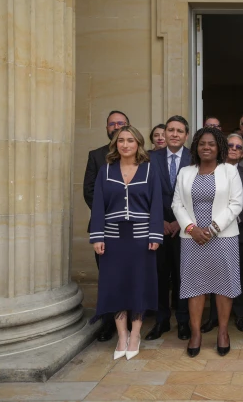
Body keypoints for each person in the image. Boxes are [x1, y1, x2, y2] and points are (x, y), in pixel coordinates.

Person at [89, 125, 163, 361]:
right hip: (112, 238)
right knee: (116, 285)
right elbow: (98, 205)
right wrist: (97, 236)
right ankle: (122, 335)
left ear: (138, 144)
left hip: (141, 238)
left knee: (138, 284)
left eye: (130, 140)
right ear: (115, 144)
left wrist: (155, 235)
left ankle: (135, 335)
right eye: (121, 140)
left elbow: (157, 205)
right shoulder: (105, 170)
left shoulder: (150, 169)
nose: (125, 144)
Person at [171, 127, 243, 357]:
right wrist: (192, 229)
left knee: (224, 286)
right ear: (196, 147)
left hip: (223, 238)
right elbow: (177, 204)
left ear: (219, 146)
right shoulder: (185, 172)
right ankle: (196, 333)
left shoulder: (229, 171)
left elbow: (236, 204)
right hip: (192, 239)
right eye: (202, 143)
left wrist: (211, 229)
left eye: (211, 143)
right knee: (195, 286)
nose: (207, 147)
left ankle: (223, 331)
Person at [83, 109, 130, 342]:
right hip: (105, 227)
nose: (117, 126)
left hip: (132, 228)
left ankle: (131, 319)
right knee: (109, 277)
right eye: (112, 124)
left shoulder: (140, 157)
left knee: (131, 275)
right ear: (107, 128)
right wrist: (111, 215)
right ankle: (109, 322)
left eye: (121, 123)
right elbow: (89, 192)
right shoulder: (96, 155)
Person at [146, 116, 192, 341]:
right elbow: (143, 193)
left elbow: (199, 196)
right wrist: (159, 221)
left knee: (184, 276)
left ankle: (183, 321)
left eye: (179, 131)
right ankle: (162, 320)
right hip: (157, 226)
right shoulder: (149, 157)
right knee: (159, 276)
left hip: (185, 229)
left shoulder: (194, 158)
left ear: (186, 135)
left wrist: (179, 221)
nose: (174, 134)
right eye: (170, 130)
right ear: (164, 134)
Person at [201, 134, 243, 334]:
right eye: (230, 145)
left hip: (240, 230)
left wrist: (231, 220)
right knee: (214, 274)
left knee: (237, 275)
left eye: (239, 147)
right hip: (212, 232)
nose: (234, 149)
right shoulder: (212, 169)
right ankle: (213, 317)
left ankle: (239, 315)